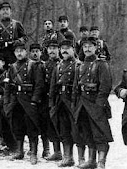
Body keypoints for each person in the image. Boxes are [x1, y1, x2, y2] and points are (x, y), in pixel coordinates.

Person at [74, 36, 113, 169]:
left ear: (96, 48)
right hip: (82, 103)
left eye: (90, 46)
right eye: (85, 46)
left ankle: (101, 161)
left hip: (96, 103)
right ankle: (91, 160)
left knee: (99, 132)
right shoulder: (80, 65)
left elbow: (106, 86)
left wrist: (99, 104)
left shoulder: (101, 64)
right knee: (87, 131)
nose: (87, 49)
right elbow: (76, 87)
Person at [3, 40, 43, 164]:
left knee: (31, 127)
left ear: (26, 52)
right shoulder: (12, 67)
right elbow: (8, 87)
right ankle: (20, 151)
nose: (19, 53)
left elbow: (39, 84)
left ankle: (33, 153)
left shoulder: (34, 65)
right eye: (17, 51)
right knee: (17, 126)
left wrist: (34, 101)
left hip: (28, 100)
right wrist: (7, 103)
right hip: (16, 101)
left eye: (21, 51)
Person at [49, 39, 81, 167]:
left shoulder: (78, 65)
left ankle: (82, 158)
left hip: (73, 101)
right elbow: (52, 87)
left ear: (73, 50)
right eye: (62, 49)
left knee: (77, 130)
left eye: (68, 48)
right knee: (63, 129)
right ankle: (68, 157)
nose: (65, 51)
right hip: (60, 101)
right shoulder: (58, 66)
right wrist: (52, 103)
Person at [40, 39, 62, 161]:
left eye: (54, 48)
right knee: (48, 124)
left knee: (61, 125)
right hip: (46, 98)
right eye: (50, 48)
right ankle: (54, 150)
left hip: (59, 98)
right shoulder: (45, 65)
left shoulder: (62, 64)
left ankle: (64, 152)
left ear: (58, 49)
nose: (52, 51)